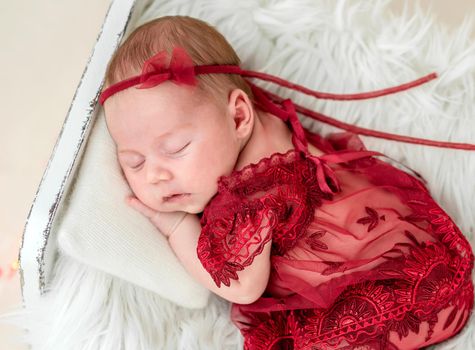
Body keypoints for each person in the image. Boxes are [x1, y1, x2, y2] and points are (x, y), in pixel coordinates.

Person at [99, 15, 474, 350]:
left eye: (176, 148)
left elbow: (241, 286)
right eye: (133, 161)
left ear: (238, 116)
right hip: (424, 267)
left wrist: (177, 226)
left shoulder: (249, 195)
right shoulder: (267, 120)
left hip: (371, 306)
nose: (155, 175)